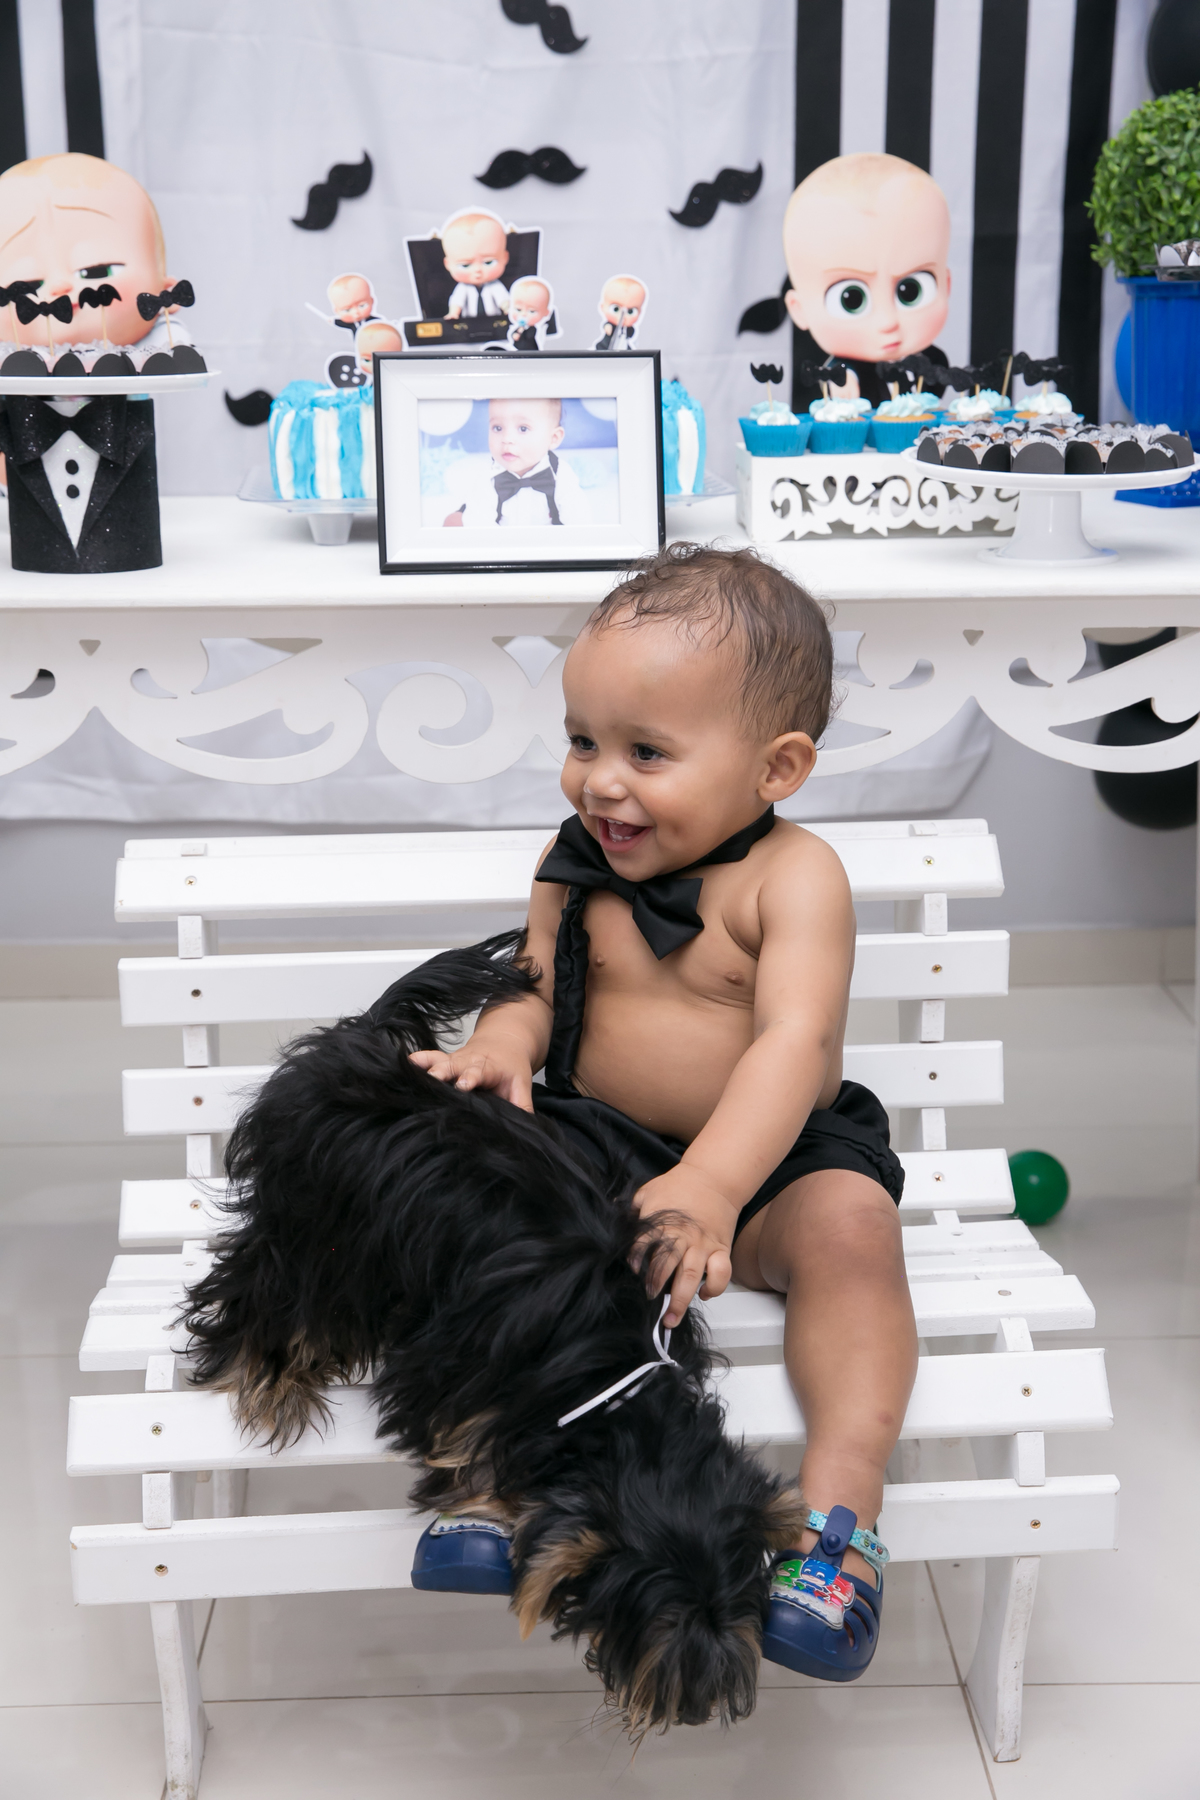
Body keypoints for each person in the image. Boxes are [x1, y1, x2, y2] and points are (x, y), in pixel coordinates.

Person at [410, 543, 918, 1682]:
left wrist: (714, 1186)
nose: (600, 781)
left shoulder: (796, 877)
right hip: (598, 1144)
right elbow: (535, 983)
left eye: (646, 752)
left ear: (778, 766)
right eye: (582, 741)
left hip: (770, 1163)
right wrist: (500, 1045)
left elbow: (796, 1044)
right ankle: (498, 1480)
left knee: (853, 1232)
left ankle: (838, 1533)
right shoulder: (573, 859)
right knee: (501, 1230)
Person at [784, 152, 951, 410]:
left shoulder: (932, 361)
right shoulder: (844, 373)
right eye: (852, 299)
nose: (888, 322)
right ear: (799, 309)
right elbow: (840, 377)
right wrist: (843, 380)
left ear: (946, 285)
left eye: (910, 291)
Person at [441, 396, 590, 527]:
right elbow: (480, 525)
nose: (507, 439)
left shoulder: (561, 474)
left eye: (523, 429)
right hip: (499, 538)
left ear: (553, 438)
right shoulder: (487, 476)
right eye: (497, 428)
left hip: (546, 539)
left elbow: (578, 519)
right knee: (453, 521)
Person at [441, 209, 511, 319]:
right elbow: (457, 301)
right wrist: (453, 313)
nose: (478, 270)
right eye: (465, 265)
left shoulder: (495, 285)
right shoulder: (462, 287)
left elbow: (503, 299)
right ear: (448, 264)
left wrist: (508, 310)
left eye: (488, 262)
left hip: (493, 321)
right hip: (469, 323)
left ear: (505, 258)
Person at [593, 273, 646, 351]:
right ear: (602, 307)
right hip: (607, 346)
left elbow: (631, 333)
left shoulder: (628, 329)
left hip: (623, 347)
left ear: (640, 312)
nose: (622, 315)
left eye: (630, 311)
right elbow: (607, 326)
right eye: (615, 309)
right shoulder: (610, 325)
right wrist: (608, 328)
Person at [506, 275, 553, 352]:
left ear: (546, 312)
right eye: (518, 309)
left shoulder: (532, 329)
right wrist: (515, 334)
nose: (523, 314)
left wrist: (521, 331)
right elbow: (514, 334)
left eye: (532, 311)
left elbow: (529, 336)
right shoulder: (519, 327)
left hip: (529, 349)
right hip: (517, 349)